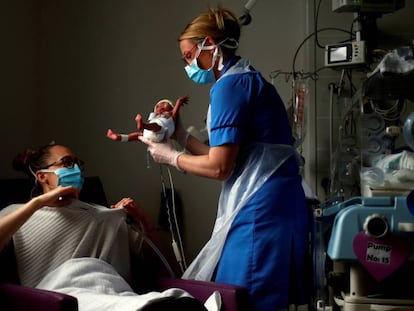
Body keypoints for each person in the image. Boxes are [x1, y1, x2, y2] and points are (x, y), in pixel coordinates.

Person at [138, 6, 311, 311]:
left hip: (260, 208)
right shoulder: (247, 78)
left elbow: (220, 167)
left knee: (247, 299)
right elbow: (233, 157)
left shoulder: (229, 88)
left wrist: (170, 157)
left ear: (210, 44)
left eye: (189, 56)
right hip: (277, 201)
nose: (188, 65)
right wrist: (181, 138)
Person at [0, 143, 209, 311]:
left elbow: (163, 265)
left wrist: (145, 222)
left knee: (163, 300)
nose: (75, 169)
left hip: (113, 292)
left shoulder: (105, 216)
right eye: (66, 163)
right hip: (61, 295)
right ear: (42, 176)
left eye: (77, 164)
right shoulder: (18, 213)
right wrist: (38, 203)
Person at [106, 96, 189, 143]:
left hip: (160, 133)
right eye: (158, 106)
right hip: (149, 133)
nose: (160, 107)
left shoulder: (171, 115)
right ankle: (118, 137)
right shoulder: (155, 117)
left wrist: (179, 101)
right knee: (137, 135)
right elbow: (152, 120)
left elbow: (176, 108)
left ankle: (143, 125)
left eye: (164, 105)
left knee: (157, 127)